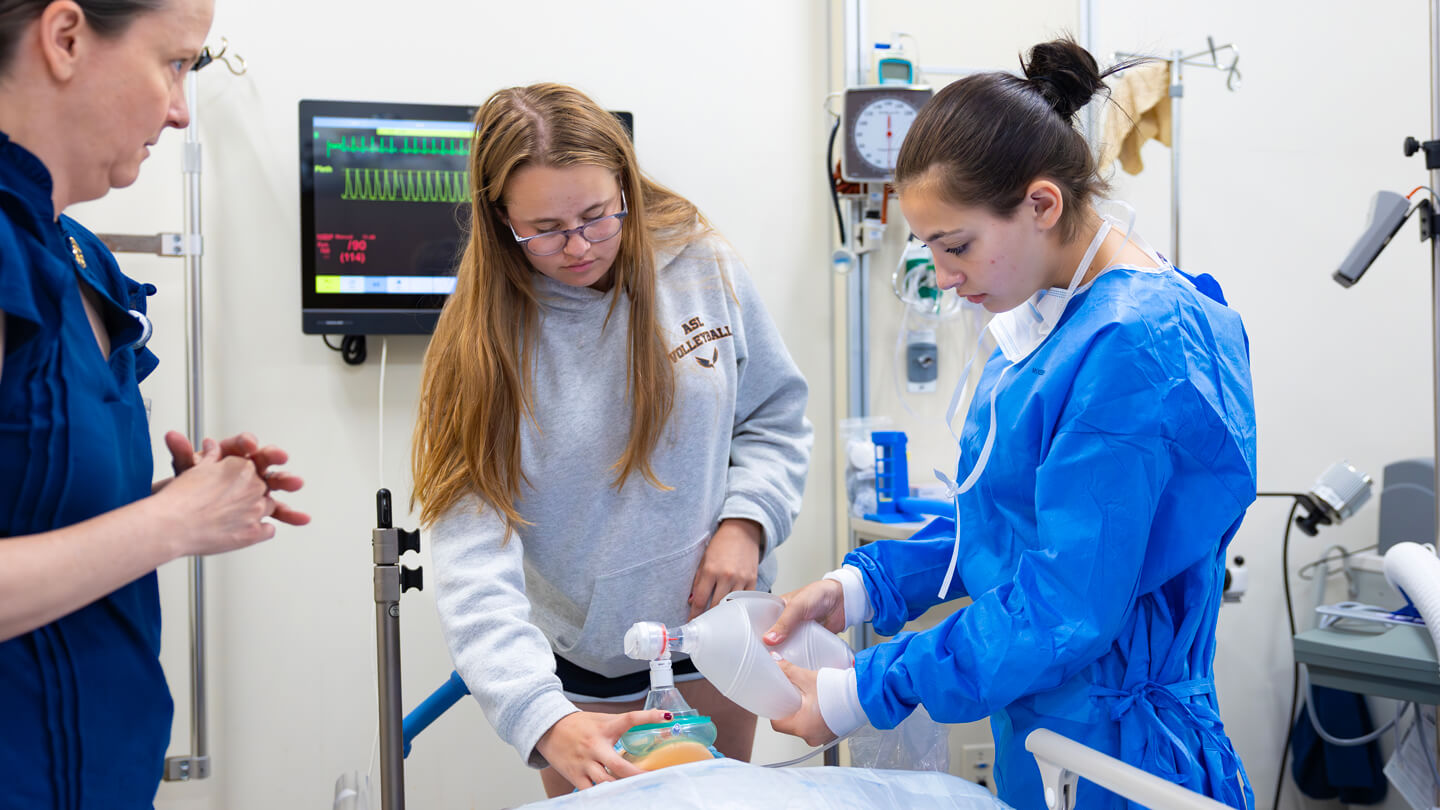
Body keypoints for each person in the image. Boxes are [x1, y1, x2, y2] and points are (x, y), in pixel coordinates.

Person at [765, 40, 1256, 810]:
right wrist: (863, 586)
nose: (944, 275)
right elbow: (1006, 531)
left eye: (956, 245)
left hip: (1126, 756)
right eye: (929, 248)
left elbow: (1065, 602)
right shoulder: (1051, 324)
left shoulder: (1136, 345)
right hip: (1053, 736)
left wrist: (867, 688)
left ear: (1041, 204)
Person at [411, 83, 812, 797]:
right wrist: (542, 717)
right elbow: (473, 562)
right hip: (583, 679)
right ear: (498, 218)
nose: (578, 246)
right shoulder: (478, 346)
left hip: (716, 642)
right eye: (545, 228)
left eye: (597, 216)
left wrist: (748, 521)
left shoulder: (700, 265)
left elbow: (774, 416)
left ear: (624, 184)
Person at [0, 0, 308, 805]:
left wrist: (184, 502)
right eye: (173, 63)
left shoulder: (74, 252)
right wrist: (166, 525)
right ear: (66, 38)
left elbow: (36, 516)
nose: (179, 110)